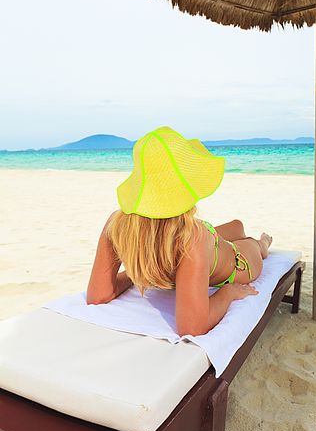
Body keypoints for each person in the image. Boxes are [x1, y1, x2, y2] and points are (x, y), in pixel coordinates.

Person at [86, 126, 273, 336]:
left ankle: (261, 242)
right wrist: (228, 292)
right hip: (236, 261)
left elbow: (98, 295)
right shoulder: (191, 236)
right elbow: (192, 327)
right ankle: (260, 244)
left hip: (222, 254)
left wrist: (138, 270)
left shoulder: (118, 224)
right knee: (247, 241)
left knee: (238, 228)